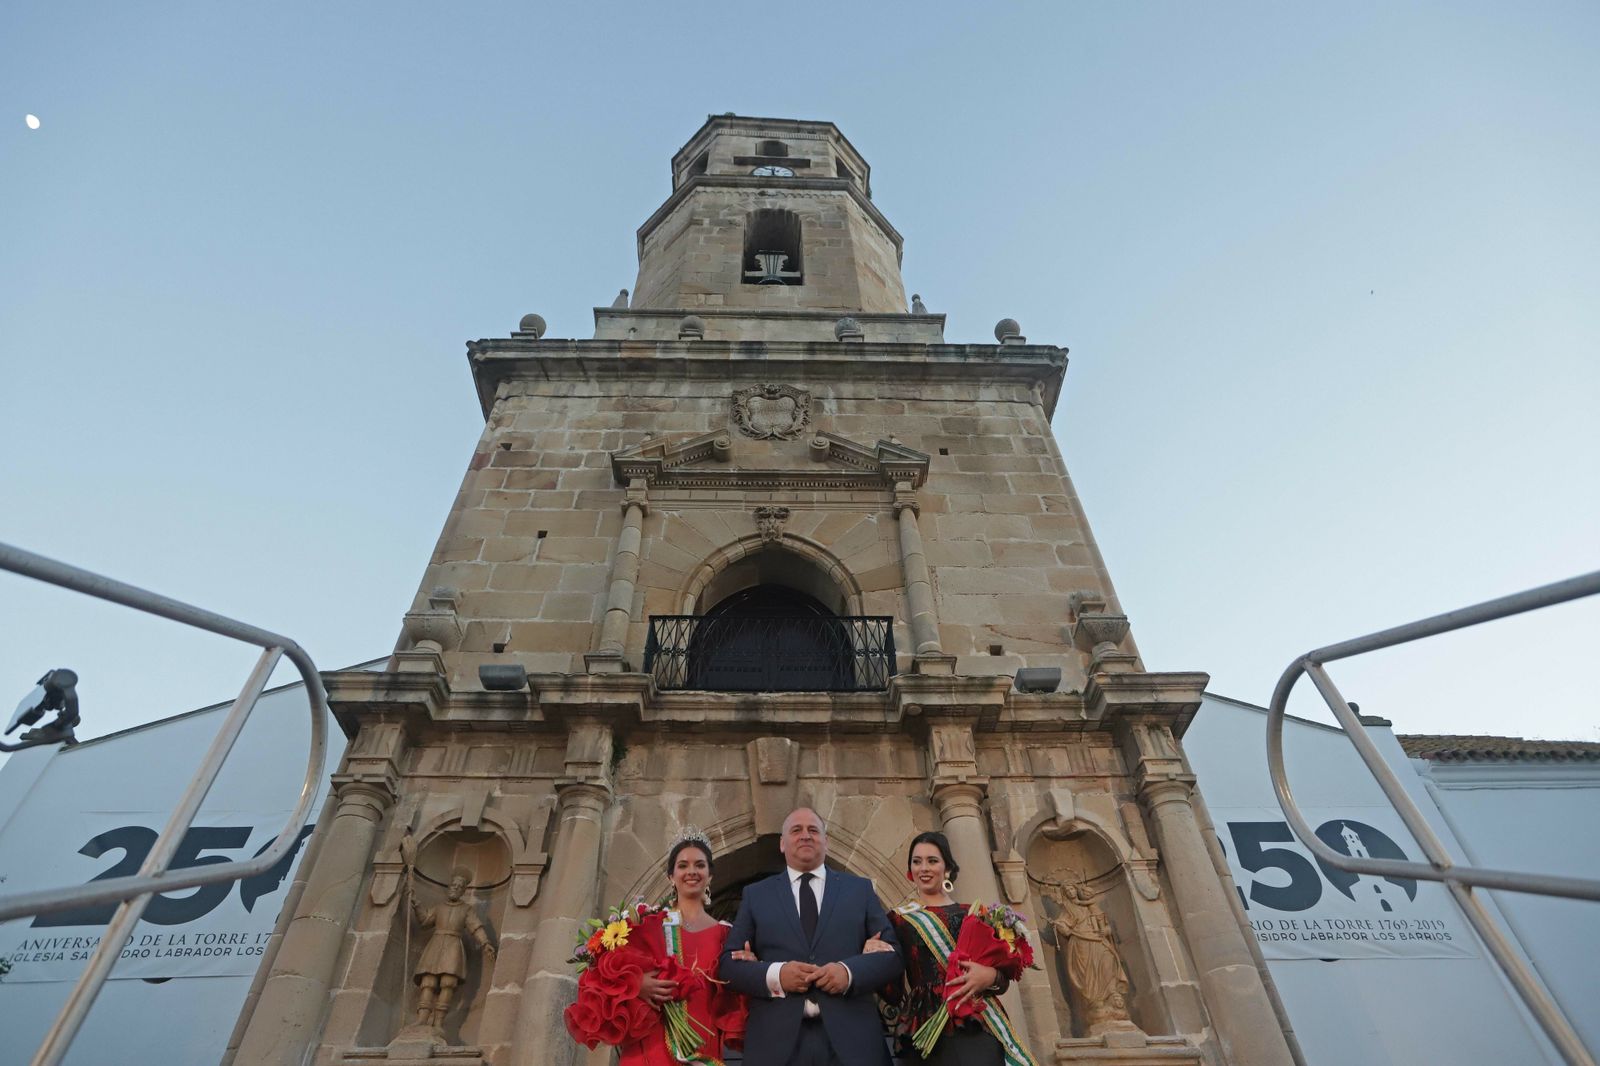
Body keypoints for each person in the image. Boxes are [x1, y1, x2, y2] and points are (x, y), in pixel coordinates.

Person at [720, 807, 904, 1066]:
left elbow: (893, 957)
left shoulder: (859, 890)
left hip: (853, 1043)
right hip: (775, 1046)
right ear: (782, 844)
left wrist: (847, 973)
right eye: (796, 830)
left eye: (813, 830)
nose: (805, 836)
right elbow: (728, 966)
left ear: (826, 842)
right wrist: (777, 975)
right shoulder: (756, 895)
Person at [871, 832, 1018, 1065]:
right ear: (910, 871)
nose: (924, 868)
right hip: (925, 1024)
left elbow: (1002, 981)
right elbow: (893, 993)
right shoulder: (898, 919)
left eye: (932, 860)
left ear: (947, 868)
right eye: (917, 862)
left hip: (975, 1019)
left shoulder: (976, 914)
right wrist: (873, 957)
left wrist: (988, 975)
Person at [625, 832, 746, 1065]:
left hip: (703, 1043)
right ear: (671, 876)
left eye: (699, 865)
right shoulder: (649, 926)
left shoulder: (727, 935)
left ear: (709, 876)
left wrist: (747, 967)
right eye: (683, 865)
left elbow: (733, 1000)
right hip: (651, 1044)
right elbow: (613, 977)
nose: (691, 871)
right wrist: (637, 984)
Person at [409, 869, 496, 1029]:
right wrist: (416, 903)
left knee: (448, 982)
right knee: (428, 981)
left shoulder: (466, 909)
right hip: (436, 943)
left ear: (463, 891)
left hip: (453, 946)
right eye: (453, 885)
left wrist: (485, 942)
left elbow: (475, 927)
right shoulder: (439, 907)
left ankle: (439, 1022)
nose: (455, 888)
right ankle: (422, 1019)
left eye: (459, 886)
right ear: (448, 887)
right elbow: (425, 921)